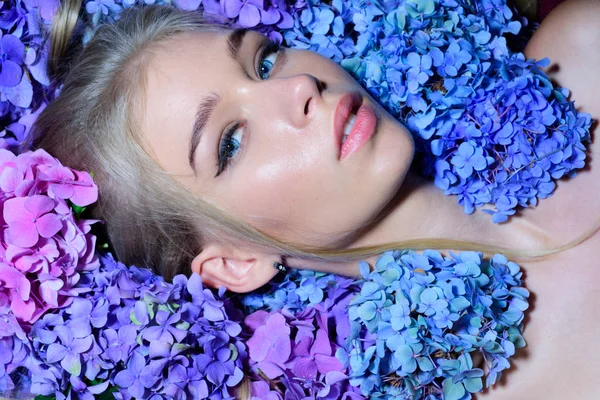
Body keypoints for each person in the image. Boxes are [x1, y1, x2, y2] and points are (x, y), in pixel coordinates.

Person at [27, 0, 600, 397]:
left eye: (264, 60)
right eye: (230, 141)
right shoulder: (475, 382)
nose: (298, 87)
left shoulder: (585, 48)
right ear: (235, 263)